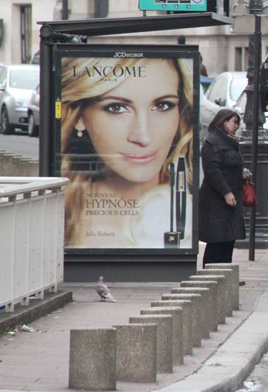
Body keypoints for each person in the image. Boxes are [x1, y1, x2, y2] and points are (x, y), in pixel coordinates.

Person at [61, 56, 194, 248]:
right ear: (80, 116)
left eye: (161, 105)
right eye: (117, 108)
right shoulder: (58, 210)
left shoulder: (185, 212)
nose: (143, 136)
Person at [199, 108, 246, 267]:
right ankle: (210, 273)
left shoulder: (230, 141)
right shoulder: (212, 142)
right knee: (217, 240)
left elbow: (231, 164)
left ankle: (226, 275)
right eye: (234, 122)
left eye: (238, 123)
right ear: (223, 122)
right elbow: (212, 171)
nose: (236, 126)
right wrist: (226, 192)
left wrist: (242, 173)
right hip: (217, 200)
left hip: (231, 198)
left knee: (228, 239)